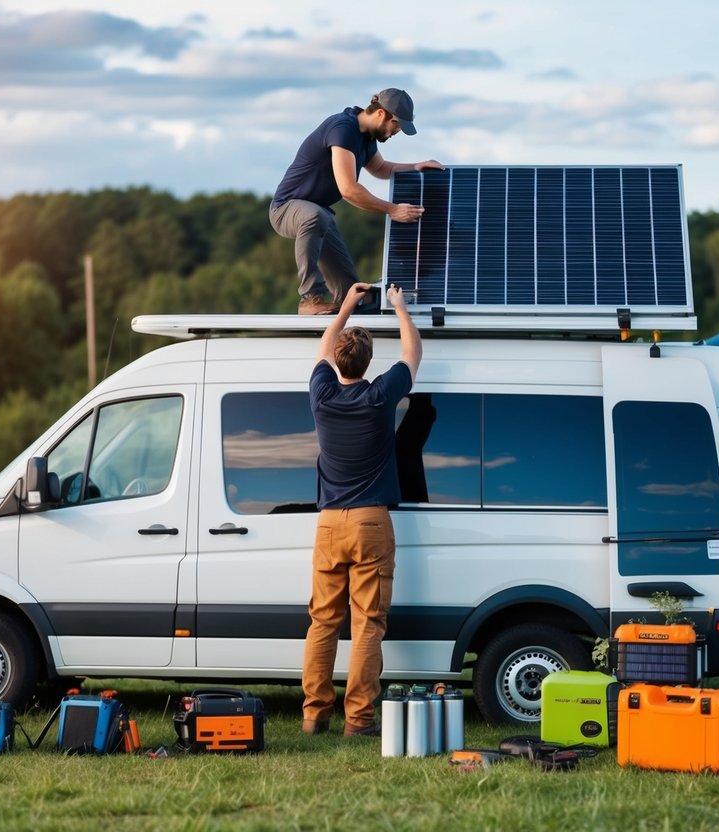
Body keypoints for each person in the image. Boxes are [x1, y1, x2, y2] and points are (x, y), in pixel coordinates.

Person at [301, 282, 422, 737]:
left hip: (330, 523)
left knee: (322, 622)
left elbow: (322, 350)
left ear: (338, 361)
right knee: (367, 624)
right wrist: (400, 308)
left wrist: (346, 306)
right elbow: (412, 354)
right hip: (371, 521)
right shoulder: (379, 396)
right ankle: (359, 720)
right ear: (369, 364)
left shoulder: (323, 395)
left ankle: (314, 715)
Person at [270, 88, 444, 315]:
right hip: (287, 208)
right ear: (380, 113)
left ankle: (347, 313)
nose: (397, 131)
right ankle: (309, 298)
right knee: (316, 216)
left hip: (319, 214)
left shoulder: (367, 138)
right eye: (396, 124)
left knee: (353, 294)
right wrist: (392, 210)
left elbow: (381, 168)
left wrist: (415, 166)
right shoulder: (343, 129)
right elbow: (349, 190)